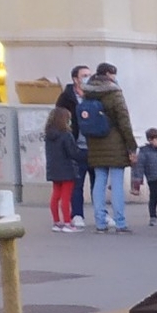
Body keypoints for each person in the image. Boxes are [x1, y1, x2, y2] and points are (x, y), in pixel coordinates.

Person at [80, 61, 134, 232]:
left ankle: (100, 222)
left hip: (95, 141)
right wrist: (131, 145)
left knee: (99, 180)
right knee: (117, 181)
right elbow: (123, 120)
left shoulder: (87, 92)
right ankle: (120, 222)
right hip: (115, 141)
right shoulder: (114, 92)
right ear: (109, 74)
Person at [42, 67, 88, 230]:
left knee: (56, 195)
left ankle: (57, 222)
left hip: (54, 168)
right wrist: (83, 156)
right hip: (67, 169)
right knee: (66, 195)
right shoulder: (66, 134)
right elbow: (73, 152)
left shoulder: (49, 134)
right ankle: (68, 222)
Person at [134, 127, 157, 225]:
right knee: (153, 197)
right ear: (150, 140)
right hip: (152, 178)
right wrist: (137, 181)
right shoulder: (144, 151)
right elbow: (139, 166)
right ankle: (153, 216)